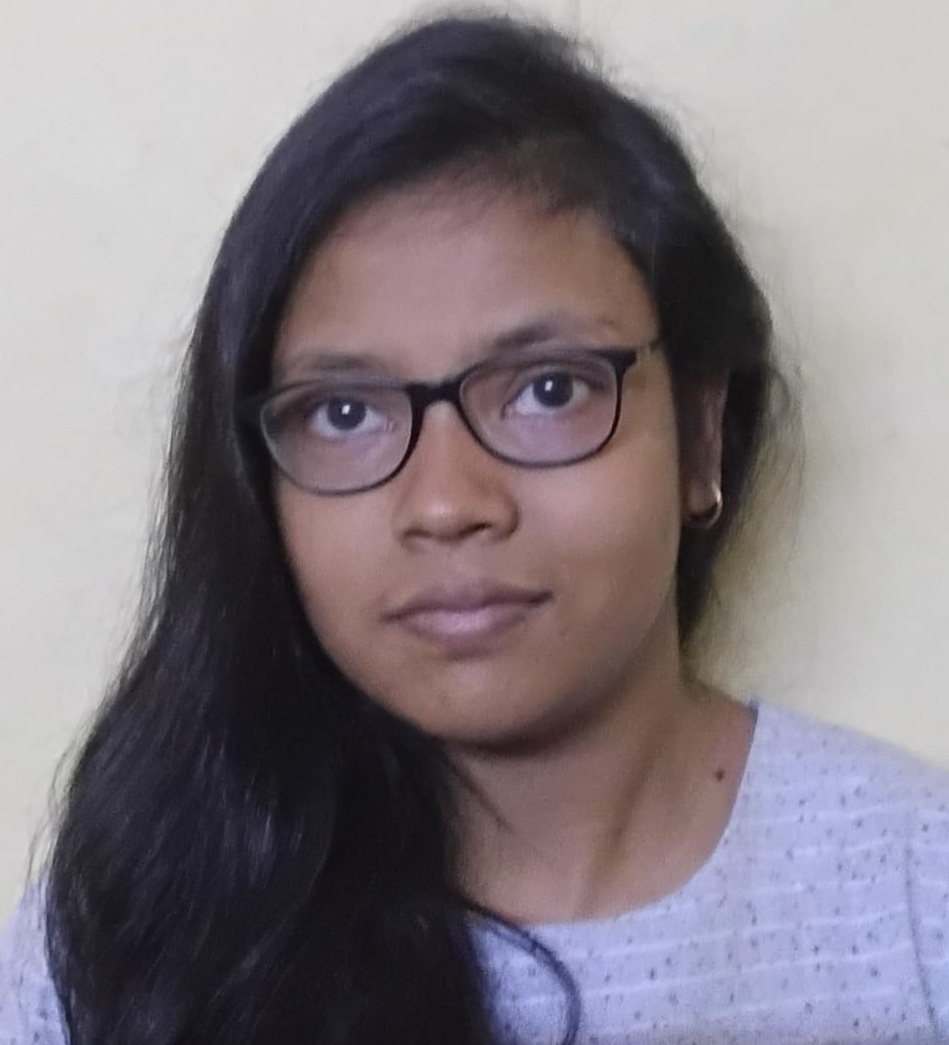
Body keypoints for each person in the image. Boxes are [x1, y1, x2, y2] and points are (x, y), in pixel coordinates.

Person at [1, 12, 947, 1045]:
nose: (447, 503)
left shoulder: (913, 890)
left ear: (700, 434)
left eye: (548, 389)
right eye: (343, 412)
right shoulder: (124, 931)